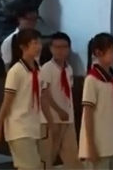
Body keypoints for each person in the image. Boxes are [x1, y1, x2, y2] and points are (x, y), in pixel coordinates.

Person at [0, 28, 57, 170]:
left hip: (34, 126)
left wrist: (51, 122)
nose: (39, 46)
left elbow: (43, 99)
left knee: (36, 165)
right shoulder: (16, 71)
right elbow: (6, 102)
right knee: (29, 166)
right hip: (18, 126)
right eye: (34, 43)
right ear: (23, 47)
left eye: (39, 42)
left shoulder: (39, 70)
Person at [79, 33, 113, 169]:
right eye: (111, 51)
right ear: (98, 53)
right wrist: (90, 145)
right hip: (99, 144)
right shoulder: (92, 80)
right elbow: (88, 113)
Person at [39, 32, 80, 170]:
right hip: (50, 119)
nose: (60, 51)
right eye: (56, 47)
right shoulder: (47, 68)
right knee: (47, 156)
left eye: (64, 47)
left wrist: (67, 111)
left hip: (67, 119)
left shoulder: (69, 68)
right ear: (50, 48)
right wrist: (58, 110)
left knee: (72, 156)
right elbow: (45, 94)